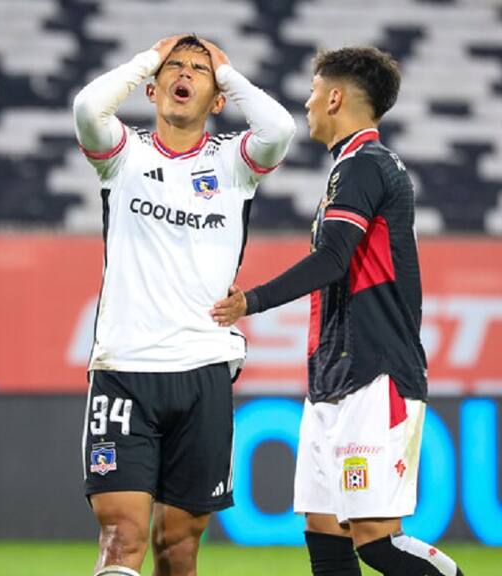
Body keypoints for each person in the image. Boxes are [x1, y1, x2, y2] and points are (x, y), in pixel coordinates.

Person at [211, 47, 464, 576]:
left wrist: (250, 301)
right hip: (334, 376)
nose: (305, 105)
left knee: (377, 544)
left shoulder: (365, 166)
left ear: (334, 97)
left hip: (375, 373)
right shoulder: (354, 168)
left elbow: (331, 260)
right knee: (326, 544)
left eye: (310, 92)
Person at [74, 34, 295, 576]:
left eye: (200, 70)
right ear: (152, 89)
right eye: (176, 67)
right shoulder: (124, 153)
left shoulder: (233, 164)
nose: (187, 74)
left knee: (178, 546)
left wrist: (231, 74)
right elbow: (86, 107)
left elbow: (281, 130)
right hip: (126, 368)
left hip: (203, 370)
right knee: (121, 537)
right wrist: (148, 57)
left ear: (217, 99)